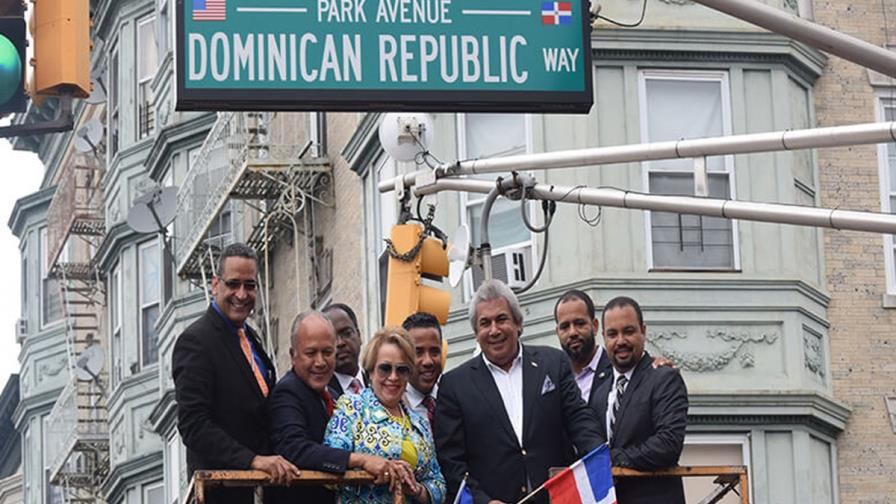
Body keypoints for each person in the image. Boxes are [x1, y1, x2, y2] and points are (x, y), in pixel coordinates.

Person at [435, 279, 601, 504]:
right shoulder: (455, 385)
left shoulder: (553, 363)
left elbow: (580, 420)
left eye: (502, 319)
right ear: (476, 332)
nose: (494, 330)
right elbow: (451, 461)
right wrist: (483, 501)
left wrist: (599, 458)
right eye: (485, 323)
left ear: (518, 324)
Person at [172, 243, 299, 504]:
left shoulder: (250, 337)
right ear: (215, 284)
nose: (242, 294)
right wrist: (253, 461)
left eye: (250, 285)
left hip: (261, 492)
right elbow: (193, 425)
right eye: (234, 284)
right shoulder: (196, 341)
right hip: (221, 493)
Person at [268, 311, 397, 503]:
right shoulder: (287, 393)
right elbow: (295, 449)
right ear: (293, 356)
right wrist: (360, 460)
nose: (320, 362)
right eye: (311, 353)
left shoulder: (334, 396)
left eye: (327, 352)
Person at [325, 327, 446, 504]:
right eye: (385, 368)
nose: (393, 377)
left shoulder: (419, 423)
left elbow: (438, 484)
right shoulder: (352, 408)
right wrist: (372, 467)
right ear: (370, 371)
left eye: (402, 370)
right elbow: (330, 464)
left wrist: (416, 488)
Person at [591, 296, 688, 503]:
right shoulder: (599, 392)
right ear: (603, 338)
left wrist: (613, 459)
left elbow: (668, 444)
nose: (620, 341)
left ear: (643, 331)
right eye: (612, 334)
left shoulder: (664, 377)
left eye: (628, 331)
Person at [554, 289, 677, 406]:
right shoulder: (554, 377)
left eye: (580, 323)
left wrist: (658, 365)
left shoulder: (622, 367)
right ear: (557, 331)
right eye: (565, 326)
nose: (572, 332)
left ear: (595, 326)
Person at [401, 312, 442, 426]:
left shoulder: (454, 399)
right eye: (418, 352)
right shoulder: (392, 408)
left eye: (434, 352)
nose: (428, 361)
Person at [322, 303, 366, 398]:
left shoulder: (379, 385)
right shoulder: (320, 394)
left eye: (346, 333)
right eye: (332, 338)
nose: (340, 343)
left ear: (359, 335)